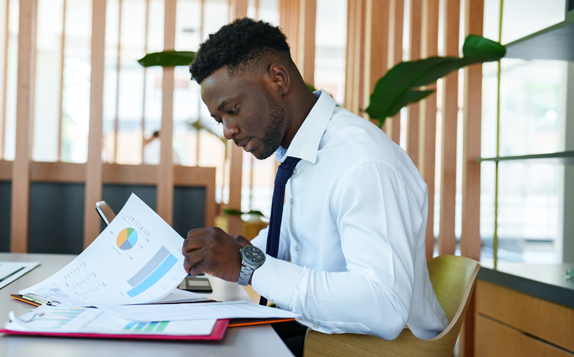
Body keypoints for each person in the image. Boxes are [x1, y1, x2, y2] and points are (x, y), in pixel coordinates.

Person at [182, 18, 449, 357]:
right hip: (315, 332)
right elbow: (303, 253)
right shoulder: (300, 155)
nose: (228, 131)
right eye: (220, 120)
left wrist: (250, 268)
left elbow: (384, 305)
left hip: (369, 349)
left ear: (278, 79)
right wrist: (240, 255)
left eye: (232, 110)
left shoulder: (361, 161)